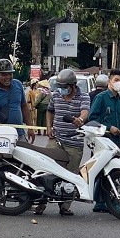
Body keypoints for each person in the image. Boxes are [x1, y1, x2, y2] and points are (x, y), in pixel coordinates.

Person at [39, 67, 88, 216]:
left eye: (65, 87)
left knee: (71, 174)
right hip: (56, 139)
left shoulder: (83, 97)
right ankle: (41, 203)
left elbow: (85, 112)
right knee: (46, 171)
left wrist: (81, 119)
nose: (62, 90)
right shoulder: (55, 96)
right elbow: (50, 111)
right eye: (60, 87)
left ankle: (65, 206)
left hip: (74, 142)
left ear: (73, 85)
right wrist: (49, 127)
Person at [85, 70, 120, 213]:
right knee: (101, 171)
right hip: (101, 141)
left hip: (115, 142)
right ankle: (105, 202)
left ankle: (103, 202)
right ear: (109, 81)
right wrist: (109, 128)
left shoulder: (119, 100)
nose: (119, 83)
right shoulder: (101, 98)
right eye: (116, 79)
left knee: (112, 170)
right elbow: (92, 118)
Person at [0, 59, 33, 141]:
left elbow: (24, 107)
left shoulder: (18, 85)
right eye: (4, 75)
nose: (8, 77)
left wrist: (30, 127)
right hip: (1, 136)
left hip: (19, 133)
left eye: (10, 74)